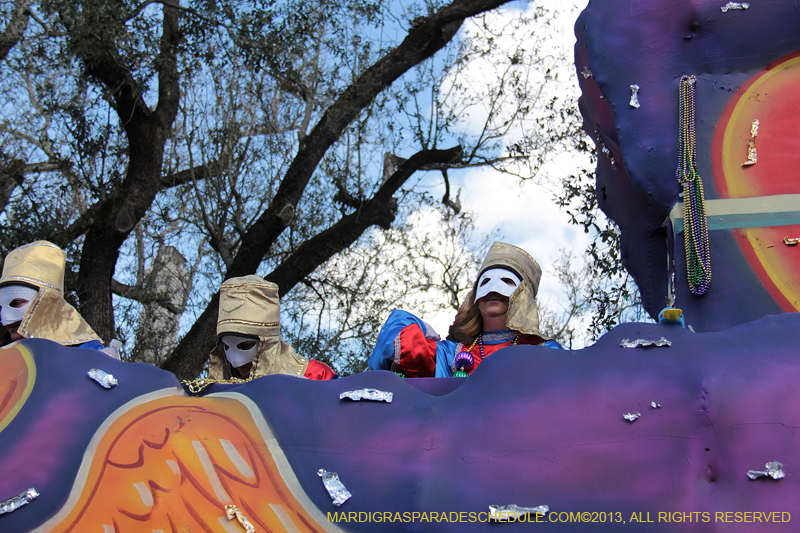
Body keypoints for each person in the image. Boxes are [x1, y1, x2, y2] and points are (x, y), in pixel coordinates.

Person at [368, 241, 562, 378]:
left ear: (523, 295)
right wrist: (424, 330)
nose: (493, 290)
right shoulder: (450, 354)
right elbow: (398, 345)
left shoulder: (544, 352)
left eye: (507, 282)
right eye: (486, 282)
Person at [208, 275, 337, 381]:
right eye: (226, 346)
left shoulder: (316, 377)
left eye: (245, 346)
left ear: (268, 344)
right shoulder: (209, 395)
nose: (235, 360)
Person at [0, 240, 104, 349]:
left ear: (47, 304)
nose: (5, 318)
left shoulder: (88, 351)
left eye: (17, 303)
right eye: (0, 308)